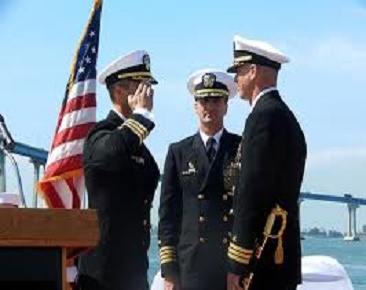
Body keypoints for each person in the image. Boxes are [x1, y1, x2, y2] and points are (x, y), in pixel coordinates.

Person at [225, 35, 307, 290]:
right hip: (278, 256)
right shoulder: (284, 116)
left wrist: (238, 263)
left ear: (253, 71)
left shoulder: (263, 117)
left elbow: (252, 191)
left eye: (239, 71)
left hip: (262, 260)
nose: (236, 79)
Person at [77, 50, 160, 290]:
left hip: (134, 272)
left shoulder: (137, 144)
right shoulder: (100, 134)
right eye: (141, 85)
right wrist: (142, 114)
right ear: (120, 91)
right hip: (102, 276)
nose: (149, 92)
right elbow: (110, 153)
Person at [158, 69, 242, 290]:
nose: (209, 107)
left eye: (215, 100)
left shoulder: (241, 149)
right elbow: (168, 217)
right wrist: (169, 271)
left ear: (226, 105)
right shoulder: (178, 152)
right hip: (190, 266)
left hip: (230, 266)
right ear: (195, 106)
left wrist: (241, 266)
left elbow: (247, 210)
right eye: (203, 100)